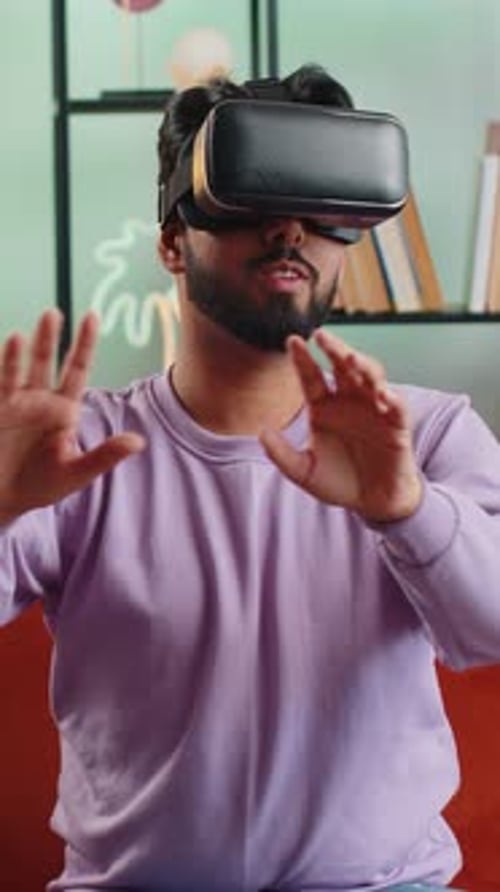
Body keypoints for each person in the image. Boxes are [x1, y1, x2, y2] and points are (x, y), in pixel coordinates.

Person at [1, 63, 500, 892]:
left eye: (320, 210)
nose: (290, 231)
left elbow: (492, 630)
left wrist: (406, 508)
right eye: (255, 202)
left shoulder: (428, 434)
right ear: (171, 241)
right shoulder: (81, 451)